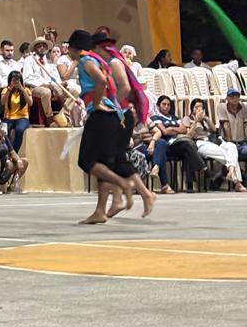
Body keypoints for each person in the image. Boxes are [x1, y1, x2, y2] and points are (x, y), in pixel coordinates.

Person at [68, 28, 153, 224]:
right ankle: (101, 210)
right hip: (112, 114)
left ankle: (123, 184)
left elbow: (101, 82)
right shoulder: (100, 61)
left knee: (86, 161)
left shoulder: (87, 61)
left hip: (104, 114)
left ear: (74, 48)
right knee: (104, 162)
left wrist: (97, 103)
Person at [181, 98, 246, 191]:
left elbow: (214, 130)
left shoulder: (205, 118)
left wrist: (206, 119)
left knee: (232, 147)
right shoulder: (187, 118)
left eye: (201, 107)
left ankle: (231, 172)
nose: (199, 109)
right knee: (226, 154)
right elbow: (189, 135)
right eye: (196, 107)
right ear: (192, 108)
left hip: (214, 140)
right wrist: (195, 121)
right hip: (200, 142)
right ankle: (237, 182)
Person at [149, 95, 206, 191]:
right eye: (164, 104)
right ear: (158, 106)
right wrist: (176, 129)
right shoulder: (156, 118)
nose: (166, 107)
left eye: (168, 105)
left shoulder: (175, 117)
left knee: (187, 151)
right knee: (187, 146)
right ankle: (201, 166)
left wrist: (171, 128)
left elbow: (184, 130)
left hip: (177, 143)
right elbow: (164, 132)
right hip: (166, 146)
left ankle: (190, 185)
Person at [22, 37, 65, 125]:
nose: (42, 48)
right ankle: (50, 118)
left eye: (44, 46)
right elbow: (27, 78)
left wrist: (60, 84)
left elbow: (54, 77)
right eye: (39, 46)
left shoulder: (49, 62)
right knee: (46, 92)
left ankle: (64, 115)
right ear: (34, 48)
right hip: (34, 88)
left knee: (72, 90)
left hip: (50, 85)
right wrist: (43, 84)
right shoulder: (29, 60)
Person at [3, 71, 32, 153]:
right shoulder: (6, 90)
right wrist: (9, 89)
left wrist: (22, 89)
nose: (15, 82)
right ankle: (8, 151)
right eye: (13, 80)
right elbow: (2, 102)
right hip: (8, 117)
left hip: (22, 117)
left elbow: (30, 103)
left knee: (19, 130)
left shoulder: (26, 90)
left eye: (17, 80)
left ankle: (14, 152)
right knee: (4, 131)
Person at [218, 85, 247, 167]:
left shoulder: (244, 107)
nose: (234, 98)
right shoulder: (222, 107)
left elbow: (245, 125)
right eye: (231, 96)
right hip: (229, 143)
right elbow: (226, 126)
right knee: (231, 155)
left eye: (236, 96)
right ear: (227, 98)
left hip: (242, 142)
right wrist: (230, 144)